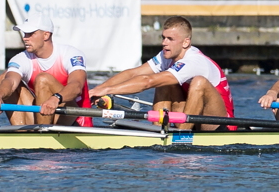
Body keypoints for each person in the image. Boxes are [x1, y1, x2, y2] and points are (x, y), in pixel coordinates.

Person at [87, 15, 236, 124]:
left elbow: (147, 82)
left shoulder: (194, 61)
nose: (164, 43)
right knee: (163, 80)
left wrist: (108, 90)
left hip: (220, 123)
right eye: (163, 37)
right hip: (193, 117)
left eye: (170, 39)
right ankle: (158, 129)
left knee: (197, 81)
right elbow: (134, 73)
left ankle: (181, 134)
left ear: (185, 42)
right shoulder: (166, 55)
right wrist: (96, 91)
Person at [0, 17, 89, 125]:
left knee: (43, 79)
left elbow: (77, 86)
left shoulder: (71, 54)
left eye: (30, 34)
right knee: (3, 78)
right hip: (43, 112)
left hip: (73, 117)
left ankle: (42, 131)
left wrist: (56, 98)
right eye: (25, 34)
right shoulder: (21, 59)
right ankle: (22, 131)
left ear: (46, 35)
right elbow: (11, 81)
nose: (25, 38)